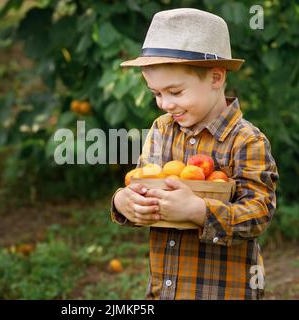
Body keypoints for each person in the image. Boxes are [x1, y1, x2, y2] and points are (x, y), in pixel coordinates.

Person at [110, 8, 279, 300]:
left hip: (222, 290)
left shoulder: (245, 141)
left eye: (175, 92)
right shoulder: (161, 130)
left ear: (215, 77)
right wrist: (124, 202)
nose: (164, 104)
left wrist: (198, 212)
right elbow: (141, 185)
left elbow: (259, 215)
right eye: (156, 94)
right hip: (166, 288)